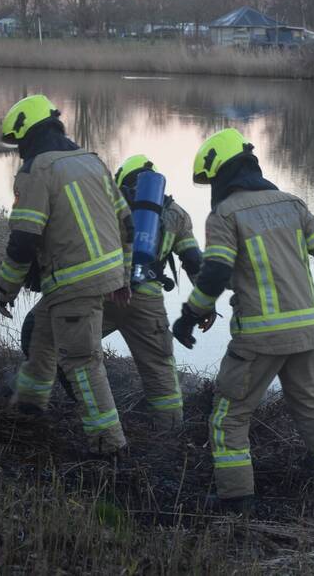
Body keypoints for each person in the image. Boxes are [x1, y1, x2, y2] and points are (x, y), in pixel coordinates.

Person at [171, 128, 314, 516]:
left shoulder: (224, 215)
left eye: (212, 180)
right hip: (306, 333)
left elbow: (215, 272)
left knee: (228, 417)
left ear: (222, 173)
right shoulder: (292, 203)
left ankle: (236, 500)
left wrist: (190, 314)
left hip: (260, 339)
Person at [0, 94, 130, 456]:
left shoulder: (36, 170)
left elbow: (24, 240)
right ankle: (29, 408)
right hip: (103, 275)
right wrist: (123, 275)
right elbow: (126, 222)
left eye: (18, 143)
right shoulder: (92, 161)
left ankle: (109, 446)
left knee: (82, 364)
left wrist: (6, 287)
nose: (19, 151)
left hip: (73, 281)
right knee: (42, 341)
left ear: (27, 135)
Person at [101, 155, 203, 430]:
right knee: (160, 370)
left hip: (106, 293)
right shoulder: (178, 214)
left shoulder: (108, 205)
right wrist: (206, 306)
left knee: (68, 347)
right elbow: (194, 262)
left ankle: (68, 406)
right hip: (147, 301)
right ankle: (169, 432)